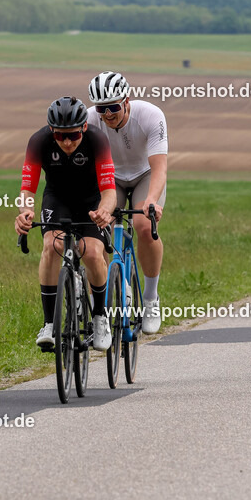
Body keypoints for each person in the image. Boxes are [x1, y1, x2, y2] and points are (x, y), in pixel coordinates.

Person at [15, 96, 117, 351]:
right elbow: (27, 189)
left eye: (73, 135)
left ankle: (100, 317)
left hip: (91, 200)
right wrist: (25, 212)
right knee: (51, 246)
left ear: (84, 127)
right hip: (57, 199)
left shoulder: (97, 140)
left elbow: (109, 191)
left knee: (92, 253)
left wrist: (105, 212)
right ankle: (49, 324)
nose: (67, 142)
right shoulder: (38, 141)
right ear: (51, 130)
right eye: (60, 136)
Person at [86, 71, 167, 334]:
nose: (107, 114)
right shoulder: (90, 120)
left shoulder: (150, 115)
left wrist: (152, 201)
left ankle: (151, 300)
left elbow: (159, 168)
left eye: (113, 107)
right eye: (101, 109)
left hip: (145, 174)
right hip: (111, 178)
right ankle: (102, 305)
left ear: (126, 101)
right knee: (98, 230)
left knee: (144, 225)